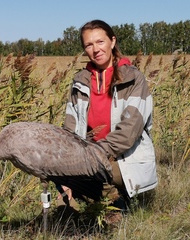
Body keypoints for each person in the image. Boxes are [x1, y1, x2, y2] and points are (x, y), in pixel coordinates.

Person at [56, 19, 158, 209]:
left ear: (112, 41)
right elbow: (69, 129)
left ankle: (116, 202)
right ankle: (84, 210)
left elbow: (129, 132)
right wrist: (64, 166)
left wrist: (91, 156)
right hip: (88, 157)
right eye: (89, 44)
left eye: (100, 42)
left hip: (123, 157)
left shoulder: (134, 79)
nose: (96, 49)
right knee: (51, 169)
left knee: (94, 179)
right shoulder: (80, 82)